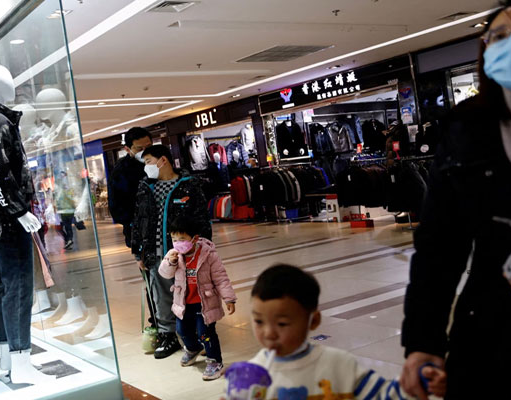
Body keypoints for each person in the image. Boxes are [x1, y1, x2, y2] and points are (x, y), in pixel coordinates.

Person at [401, 1, 511, 399]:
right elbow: (438, 249)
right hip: (491, 332)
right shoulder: (466, 129)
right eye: (497, 36)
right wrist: (422, 343)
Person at [248, 265, 446, 399]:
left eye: (282, 324)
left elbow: (383, 395)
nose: (269, 333)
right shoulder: (252, 374)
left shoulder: (339, 365)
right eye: (259, 321)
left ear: (314, 321)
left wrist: (421, 378)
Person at [132, 145, 212, 359]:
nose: (147, 167)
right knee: (161, 297)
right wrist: (138, 251)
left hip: (186, 253)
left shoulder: (188, 185)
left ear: (163, 160)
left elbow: (202, 219)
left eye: (149, 161)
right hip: (156, 253)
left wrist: (204, 249)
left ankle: (196, 337)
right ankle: (167, 336)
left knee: (190, 295)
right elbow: (139, 219)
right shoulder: (145, 187)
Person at [158, 216, 236, 381]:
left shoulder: (208, 254)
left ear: (194, 239)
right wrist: (169, 263)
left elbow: (220, 277)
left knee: (205, 333)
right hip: (183, 303)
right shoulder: (174, 255)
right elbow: (164, 274)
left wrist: (229, 298)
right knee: (182, 330)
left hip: (204, 303)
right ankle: (193, 349)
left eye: (182, 239)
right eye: (174, 239)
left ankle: (215, 361)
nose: (178, 243)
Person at [108, 127, 153, 247]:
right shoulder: (121, 171)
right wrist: (134, 222)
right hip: (139, 231)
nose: (145, 151)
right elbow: (116, 205)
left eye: (148, 147)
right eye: (139, 148)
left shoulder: (159, 162)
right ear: (127, 149)